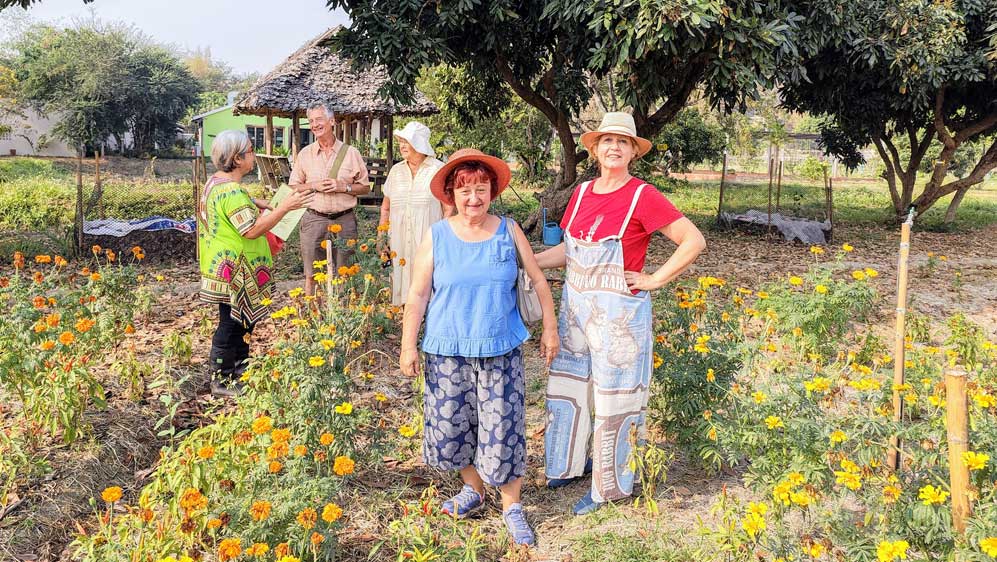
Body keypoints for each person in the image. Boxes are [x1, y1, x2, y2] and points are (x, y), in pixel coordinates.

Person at [534, 112, 706, 515]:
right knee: (569, 385)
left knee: (616, 396)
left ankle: (609, 487)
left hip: (619, 319)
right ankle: (567, 465)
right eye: (607, 141)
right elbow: (571, 251)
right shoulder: (581, 193)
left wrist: (655, 279)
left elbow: (692, 240)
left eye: (623, 142)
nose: (614, 147)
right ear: (594, 150)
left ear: (633, 152)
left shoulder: (642, 195)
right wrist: (532, 262)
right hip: (575, 311)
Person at [399, 149, 559, 546]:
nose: (474, 198)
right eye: (465, 190)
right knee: (452, 426)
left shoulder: (509, 230)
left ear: (492, 192)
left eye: (481, 189)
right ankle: (473, 487)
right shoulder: (437, 235)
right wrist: (408, 345)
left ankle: (512, 506)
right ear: (451, 195)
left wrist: (550, 329)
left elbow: (539, 280)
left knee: (503, 428)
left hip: (499, 349)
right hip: (447, 350)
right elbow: (417, 294)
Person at [198, 129, 312, 395]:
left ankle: (239, 371)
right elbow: (251, 230)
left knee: (241, 322)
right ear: (237, 159)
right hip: (236, 271)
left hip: (227, 267)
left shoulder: (216, 183)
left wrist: (256, 201)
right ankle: (221, 379)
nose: (254, 155)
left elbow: (234, 206)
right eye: (250, 151)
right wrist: (284, 208)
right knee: (231, 324)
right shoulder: (232, 192)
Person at [289, 102, 371, 295]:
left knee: (346, 273)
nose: (314, 125)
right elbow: (293, 187)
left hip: (344, 220)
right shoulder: (305, 154)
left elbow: (365, 187)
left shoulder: (351, 153)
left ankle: (343, 312)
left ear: (332, 121)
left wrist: (344, 187)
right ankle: (314, 312)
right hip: (314, 219)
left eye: (319, 119)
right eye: (311, 121)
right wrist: (314, 186)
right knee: (312, 275)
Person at [378, 121, 450, 306]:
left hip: (428, 239)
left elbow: (449, 208)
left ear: (419, 144)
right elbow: (386, 207)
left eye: (406, 141)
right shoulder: (396, 171)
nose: (402, 146)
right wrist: (381, 237)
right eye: (400, 141)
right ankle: (405, 316)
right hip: (399, 240)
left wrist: (443, 238)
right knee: (400, 280)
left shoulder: (438, 170)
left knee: (428, 284)